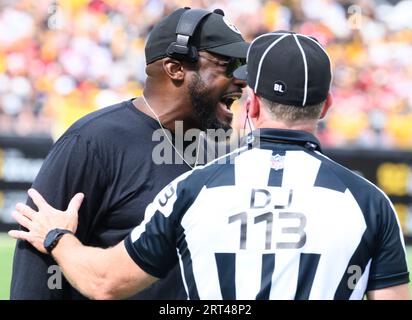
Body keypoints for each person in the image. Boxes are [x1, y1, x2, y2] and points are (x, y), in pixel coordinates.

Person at [10, 31, 410, 300]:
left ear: (251, 104)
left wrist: (56, 237)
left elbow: (105, 282)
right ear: (326, 106)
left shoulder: (193, 189)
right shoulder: (371, 205)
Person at [10, 7, 248, 300]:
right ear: (175, 68)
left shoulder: (221, 153)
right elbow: (36, 278)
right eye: (228, 65)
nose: (242, 80)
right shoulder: (92, 142)